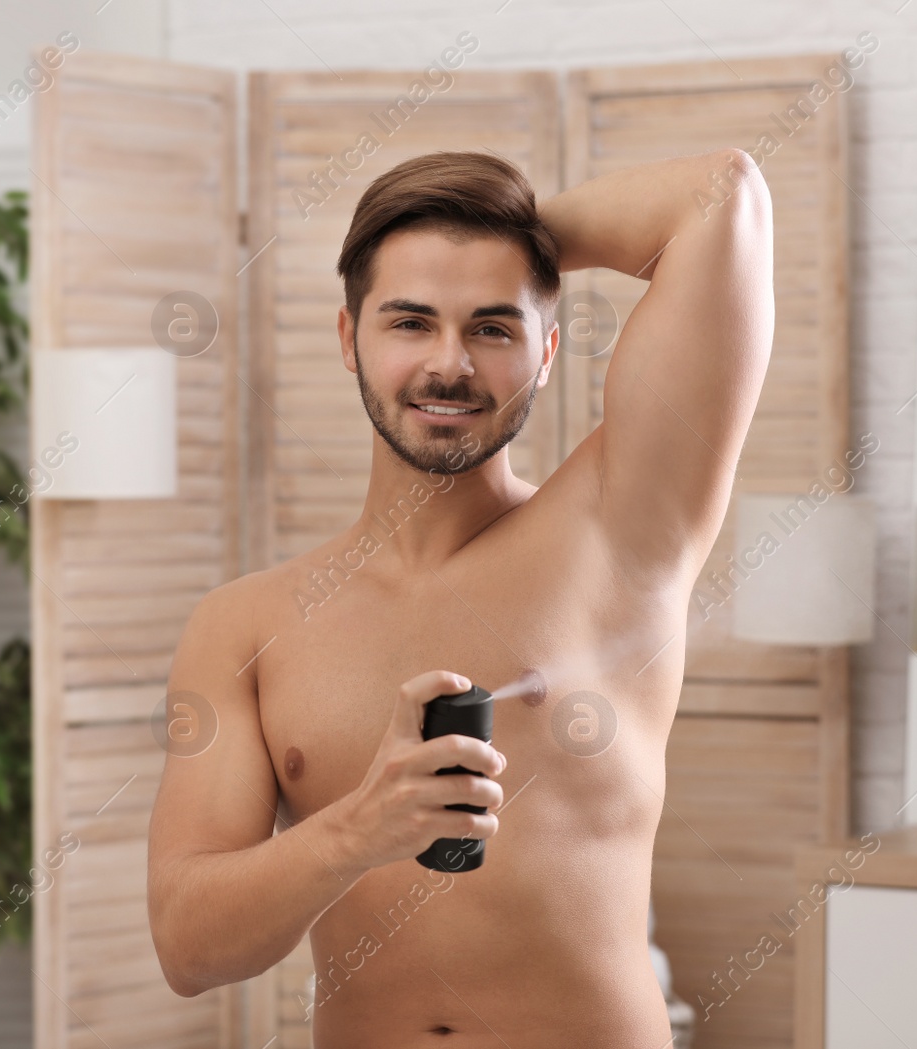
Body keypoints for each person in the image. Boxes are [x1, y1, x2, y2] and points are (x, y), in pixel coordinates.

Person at [147, 147, 773, 1047]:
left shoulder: (623, 528)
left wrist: (509, 238)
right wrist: (359, 829)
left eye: (492, 326)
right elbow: (187, 947)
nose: (451, 365)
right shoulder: (246, 627)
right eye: (409, 320)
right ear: (346, 335)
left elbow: (724, 196)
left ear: (547, 350)